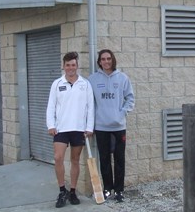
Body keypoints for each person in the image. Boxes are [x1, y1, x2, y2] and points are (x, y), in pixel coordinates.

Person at [46, 51, 94, 208]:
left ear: (77, 66)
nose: (71, 68)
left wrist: (89, 127)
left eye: (73, 65)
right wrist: (51, 125)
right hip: (61, 129)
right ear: (63, 66)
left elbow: (90, 108)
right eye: (68, 65)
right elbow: (51, 106)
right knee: (58, 158)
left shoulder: (85, 84)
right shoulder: (57, 84)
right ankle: (62, 191)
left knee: (75, 160)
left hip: (79, 129)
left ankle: (72, 192)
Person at [88, 49, 135, 203]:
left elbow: (130, 99)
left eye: (108, 58)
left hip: (118, 127)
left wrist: (121, 113)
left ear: (112, 60)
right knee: (104, 159)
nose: (106, 61)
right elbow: (89, 103)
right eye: (103, 59)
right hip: (101, 127)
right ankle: (107, 189)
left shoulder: (122, 78)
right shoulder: (92, 79)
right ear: (99, 61)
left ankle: (119, 190)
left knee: (119, 159)